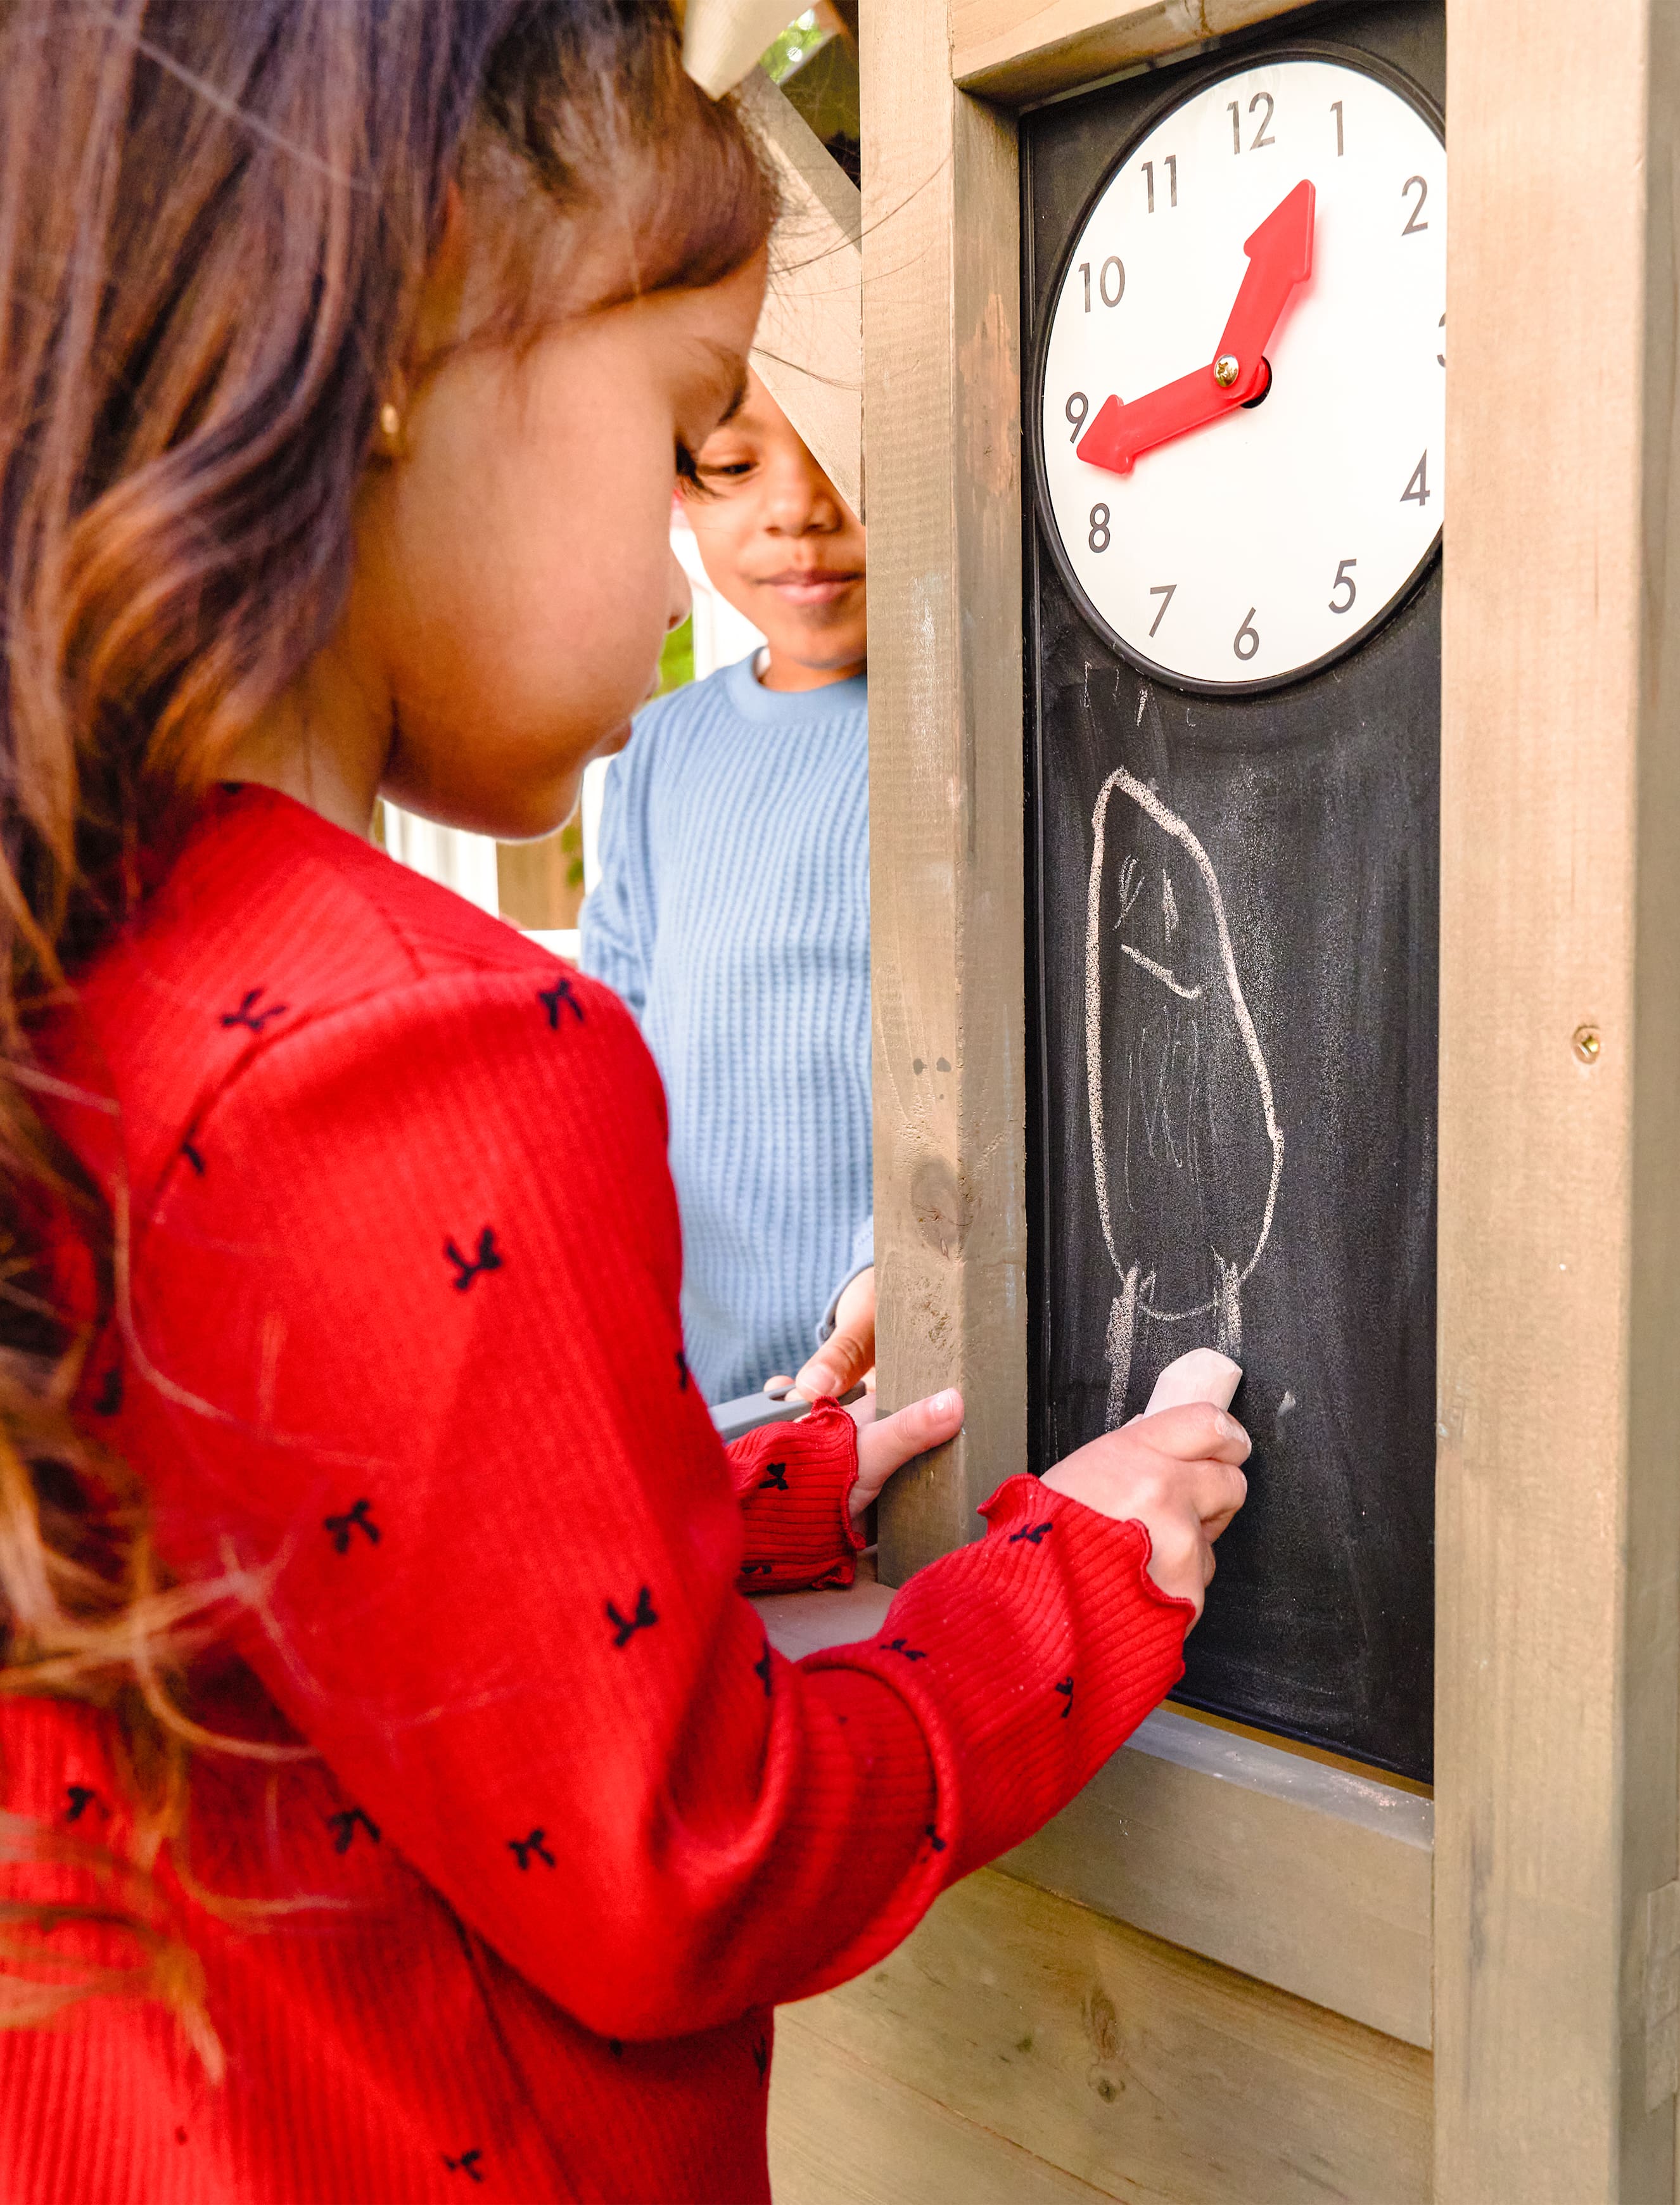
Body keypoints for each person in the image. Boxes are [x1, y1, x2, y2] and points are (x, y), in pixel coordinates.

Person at [0, 8, 1248, 2202]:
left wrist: (749, 1497)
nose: (749, 521)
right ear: (411, 326)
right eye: (692, 424)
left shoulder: (89, 969)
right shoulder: (432, 1042)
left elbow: (316, 1582)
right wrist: (1070, 1583)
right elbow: (684, 1848)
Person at [583, 377, 877, 1409]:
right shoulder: (658, 746)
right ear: (676, 489)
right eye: (734, 464)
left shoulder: (974, 725)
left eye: (854, 444)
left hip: (898, 1383)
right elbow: (613, 1036)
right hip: (693, 1400)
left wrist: (909, 1271)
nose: (800, 508)